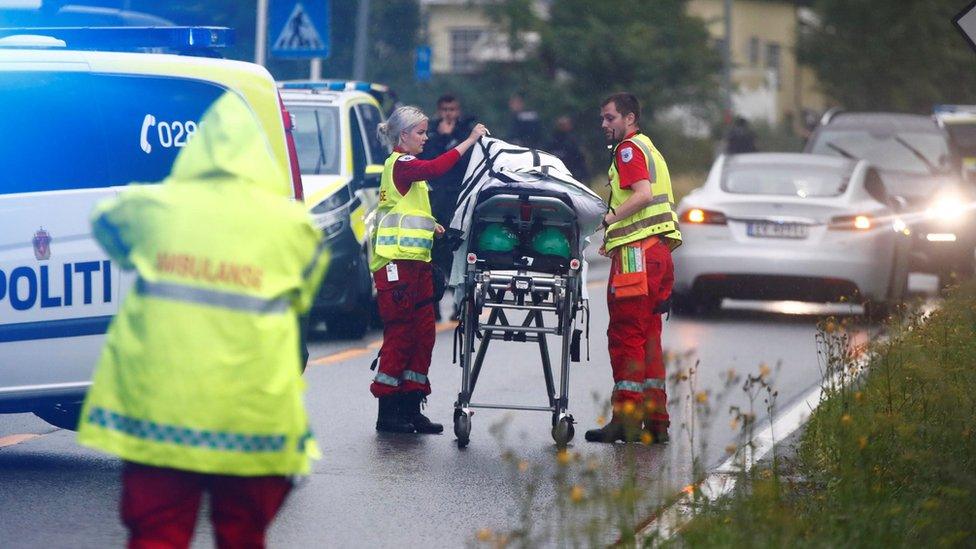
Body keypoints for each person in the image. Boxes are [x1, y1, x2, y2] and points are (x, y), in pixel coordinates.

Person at [76, 91, 329, 547]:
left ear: (198, 149)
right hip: (253, 418)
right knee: (243, 535)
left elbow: (104, 224)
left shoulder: (153, 208)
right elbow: (301, 295)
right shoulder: (294, 228)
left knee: (158, 534)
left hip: (162, 412)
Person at [371, 106, 488, 434]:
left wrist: (434, 227)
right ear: (403, 136)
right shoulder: (403, 164)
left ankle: (412, 405)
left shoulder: (408, 171)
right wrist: (469, 141)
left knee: (423, 336)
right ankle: (388, 411)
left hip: (416, 265)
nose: (426, 137)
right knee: (400, 337)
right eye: (421, 133)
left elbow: (407, 213)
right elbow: (437, 167)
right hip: (397, 267)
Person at [585, 93, 682, 444]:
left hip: (637, 257)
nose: (604, 125)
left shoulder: (628, 151)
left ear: (629, 118)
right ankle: (656, 420)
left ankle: (626, 419)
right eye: (603, 119)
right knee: (649, 337)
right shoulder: (649, 148)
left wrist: (607, 220)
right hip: (658, 254)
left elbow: (640, 194)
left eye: (610, 118)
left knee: (627, 336)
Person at [418, 94, 478, 320]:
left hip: (459, 198)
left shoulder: (466, 132)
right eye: (444, 109)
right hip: (435, 200)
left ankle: (458, 305)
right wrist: (441, 138)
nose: (448, 114)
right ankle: (432, 306)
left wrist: (453, 137)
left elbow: (467, 162)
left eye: (452, 109)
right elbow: (428, 162)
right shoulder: (430, 133)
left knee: (458, 251)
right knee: (433, 254)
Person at [546, 115, 590, 182]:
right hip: (558, 171)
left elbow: (580, 156)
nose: (563, 127)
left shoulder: (574, 139)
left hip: (574, 171)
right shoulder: (553, 139)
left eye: (565, 124)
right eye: (561, 125)